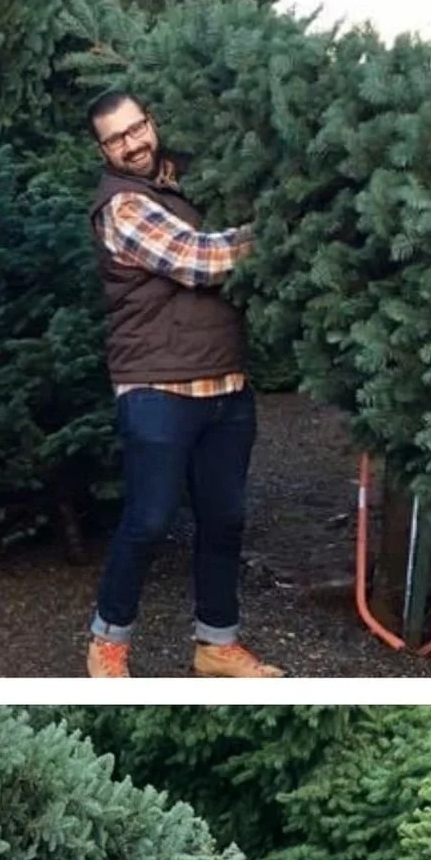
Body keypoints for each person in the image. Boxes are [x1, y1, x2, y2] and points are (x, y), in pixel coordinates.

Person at [80, 90, 280, 680]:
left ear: (152, 123)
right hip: (156, 387)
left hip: (225, 381)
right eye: (117, 138)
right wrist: (279, 229)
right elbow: (198, 259)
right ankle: (108, 641)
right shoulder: (121, 206)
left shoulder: (191, 178)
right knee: (149, 518)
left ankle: (216, 643)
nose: (133, 142)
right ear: (103, 149)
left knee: (224, 517)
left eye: (137, 128)